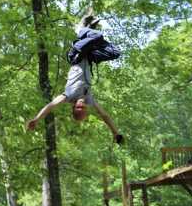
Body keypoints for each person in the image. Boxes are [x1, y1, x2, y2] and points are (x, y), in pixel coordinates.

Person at [26, 11, 124, 145]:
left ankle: (81, 29)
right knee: (115, 53)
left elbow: (51, 106)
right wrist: (115, 132)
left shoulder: (68, 96)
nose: (81, 106)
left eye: (77, 108)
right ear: (86, 109)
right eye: (82, 109)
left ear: (73, 107)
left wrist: (37, 119)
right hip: (89, 56)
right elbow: (105, 115)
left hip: (76, 54)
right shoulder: (90, 100)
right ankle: (88, 30)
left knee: (98, 36)